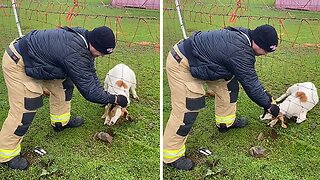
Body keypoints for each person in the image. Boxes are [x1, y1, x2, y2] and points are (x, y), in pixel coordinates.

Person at [0, 26, 128, 170]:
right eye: (99, 52)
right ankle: (7, 155)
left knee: (64, 85)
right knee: (25, 108)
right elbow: (89, 91)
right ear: (93, 43)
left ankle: (60, 122)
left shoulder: (84, 40)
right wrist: (115, 99)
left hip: (40, 60)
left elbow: (89, 72)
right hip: (19, 61)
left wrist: (106, 93)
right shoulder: (76, 51)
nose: (100, 55)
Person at [163, 24, 280, 170]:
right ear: (257, 42)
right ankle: (171, 156)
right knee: (187, 109)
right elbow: (251, 83)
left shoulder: (245, 37)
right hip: (183, 62)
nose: (265, 54)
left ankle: (225, 123)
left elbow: (250, 79)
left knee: (229, 85)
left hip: (205, 61)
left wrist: (266, 97)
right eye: (265, 51)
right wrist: (269, 105)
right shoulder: (241, 51)